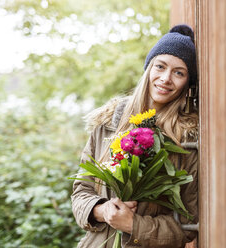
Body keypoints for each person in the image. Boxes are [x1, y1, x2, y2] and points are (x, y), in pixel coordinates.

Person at [71, 24, 199, 248]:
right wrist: (102, 210)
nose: (166, 78)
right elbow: (82, 190)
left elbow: (187, 224)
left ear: (187, 84)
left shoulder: (186, 140)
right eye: (160, 66)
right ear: (149, 68)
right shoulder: (108, 122)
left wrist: (133, 225)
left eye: (179, 72)